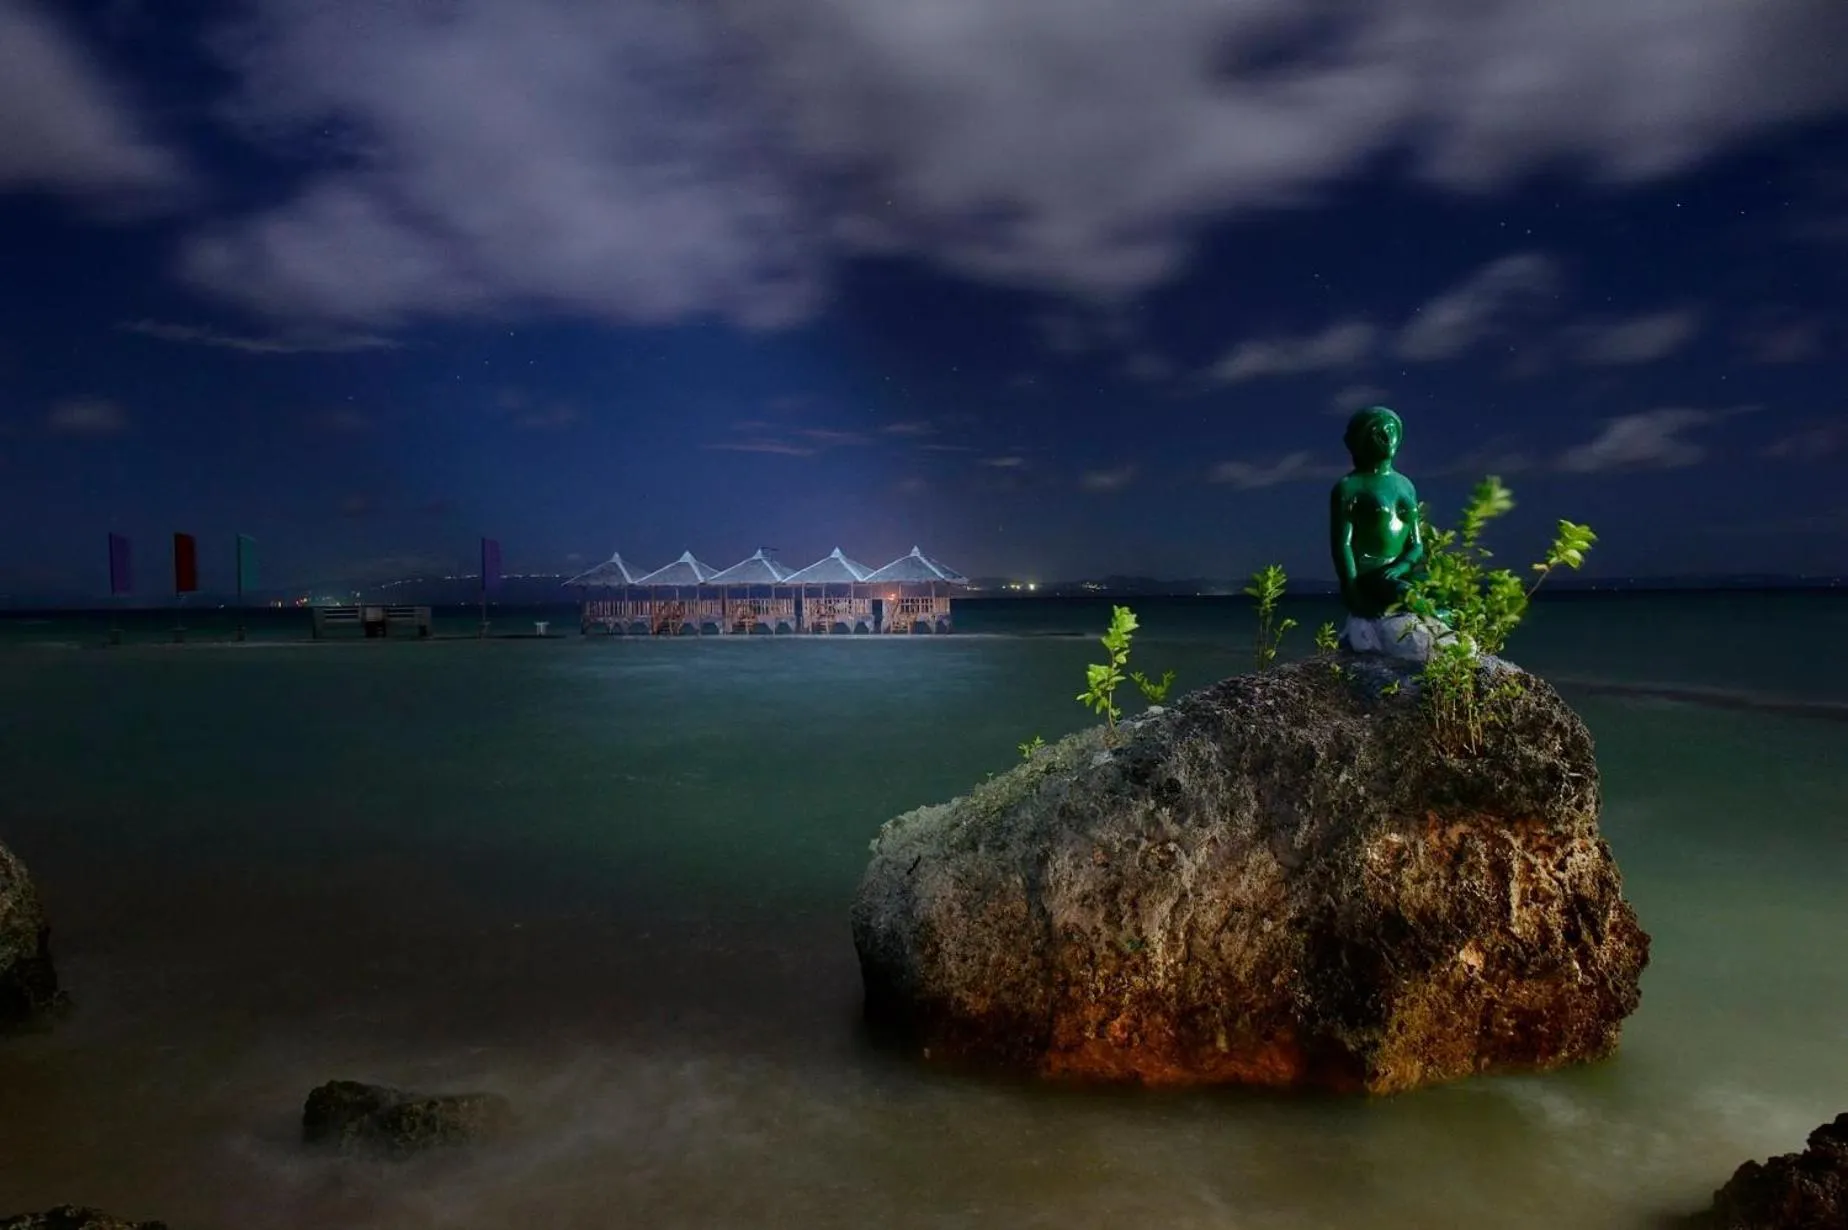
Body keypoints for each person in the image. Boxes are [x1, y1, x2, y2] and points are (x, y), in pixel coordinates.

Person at [1329, 406, 1426, 619]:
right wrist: (1352, 591)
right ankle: (1440, 621)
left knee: (1442, 589)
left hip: (1402, 572)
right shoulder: (1349, 487)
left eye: (1391, 430)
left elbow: (1417, 544)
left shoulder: (1406, 485)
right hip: (1371, 575)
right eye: (1377, 431)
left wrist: (1402, 566)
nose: (1386, 436)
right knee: (1408, 595)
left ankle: (1447, 625)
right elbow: (1342, 545)